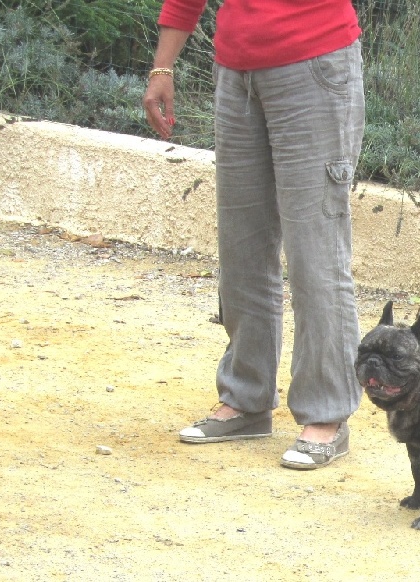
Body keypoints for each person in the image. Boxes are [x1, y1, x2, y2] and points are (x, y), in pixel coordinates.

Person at [142, 0, 365, 470]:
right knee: (242, 248)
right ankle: (246, 400)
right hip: (236, 75)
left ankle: (327, 415)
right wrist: (163, 65)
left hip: (315, 67)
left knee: (315, 252)